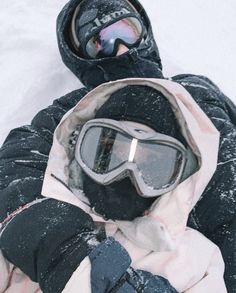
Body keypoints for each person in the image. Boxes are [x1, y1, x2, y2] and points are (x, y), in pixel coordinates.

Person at [0, 0, 235, 291]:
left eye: (126, 31)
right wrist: (69, 250)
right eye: (101, 42)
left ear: (144, 33)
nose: (121, 48)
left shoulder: (197, 90)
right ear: (79, 58)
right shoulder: (78, 111)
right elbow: (17, 166)